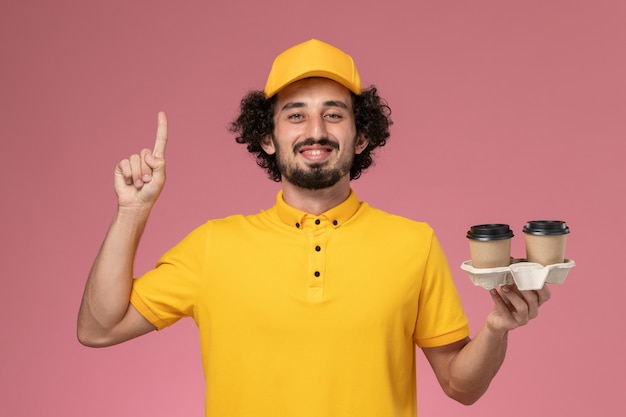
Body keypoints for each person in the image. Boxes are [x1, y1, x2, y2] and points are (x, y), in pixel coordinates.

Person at [77, 39, 551, 417]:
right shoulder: (212, 246)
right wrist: (131, 213)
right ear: (267, 137)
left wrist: (496, 327)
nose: (316, 129)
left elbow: (460, 387)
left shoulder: (414, 243)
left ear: (360, 135)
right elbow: (98, 330)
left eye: (334, 113)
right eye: (296, 114)